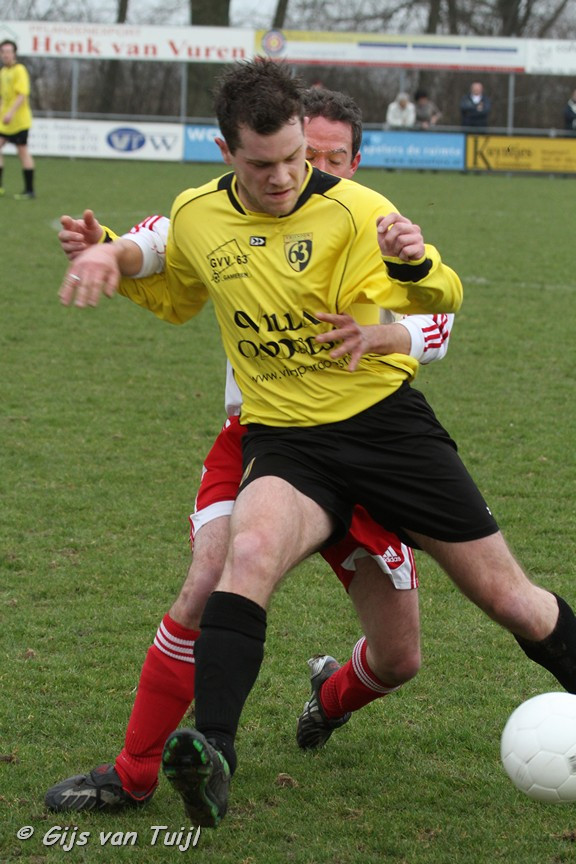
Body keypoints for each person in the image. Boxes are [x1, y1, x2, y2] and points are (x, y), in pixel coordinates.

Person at [56, 61, 576, 831]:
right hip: (283, 440)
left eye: (301, 158)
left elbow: (443, 297)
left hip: (386, 432)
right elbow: (168, 274)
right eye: (263, 164)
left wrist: (407, 278)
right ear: (227, 152)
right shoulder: (200, 213)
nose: (285, 177)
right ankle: (210, 755)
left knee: (499, 605)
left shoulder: (359, 211)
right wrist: (108, 252)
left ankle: (326, 699)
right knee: (242, 557)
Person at [0, 40, 35, 199]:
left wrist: (11, 113)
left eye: (8, 51)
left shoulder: (19, 70)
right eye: (3, 51)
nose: (6, 55)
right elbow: (3, 98)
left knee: (22, 152)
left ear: (14, 54)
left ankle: (29, 190)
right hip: (5, 122)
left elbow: (22, 95)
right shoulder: (3, 72)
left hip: (19, 121)